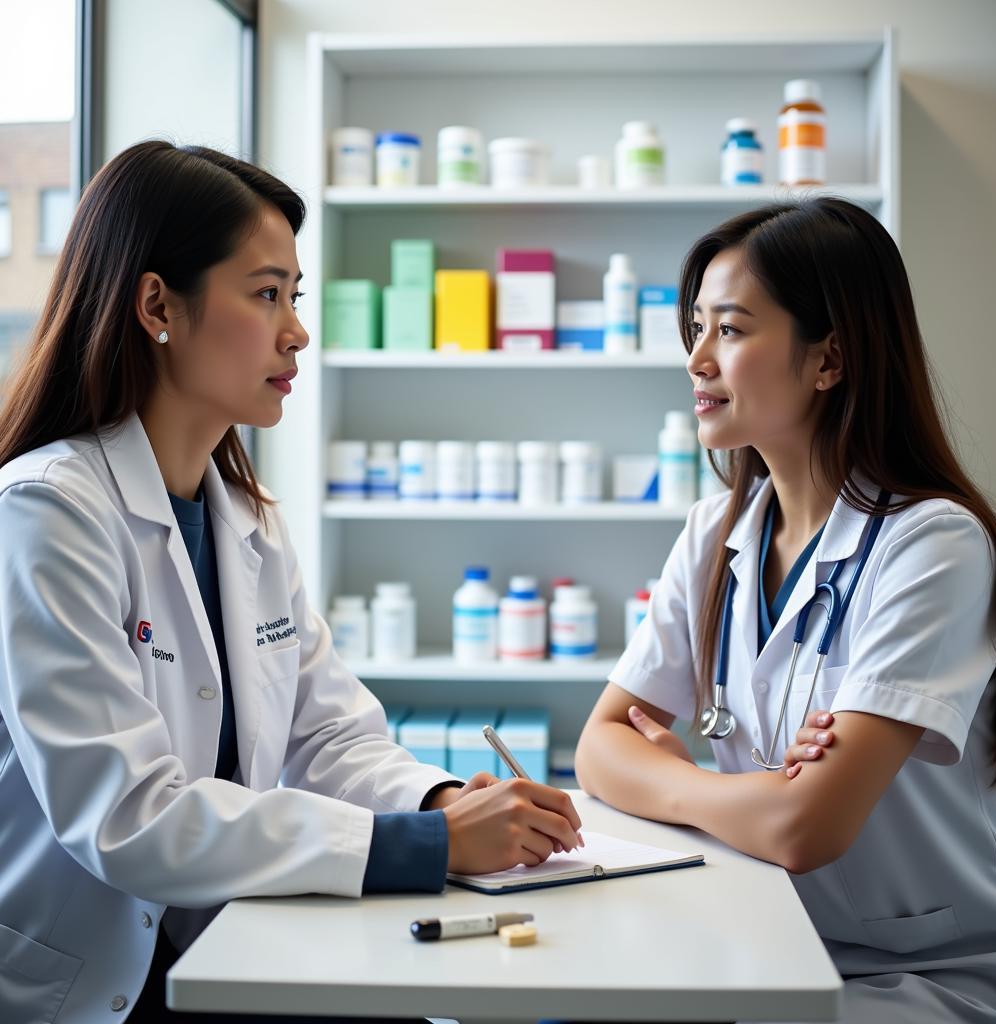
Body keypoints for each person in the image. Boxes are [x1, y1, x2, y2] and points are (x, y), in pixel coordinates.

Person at [0, 141, 582, 1024]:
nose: (297, 330)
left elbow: (327, 736)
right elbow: (124, 816)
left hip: (229, 945)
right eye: (266, 293)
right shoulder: (48, 513)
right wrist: (424, 845)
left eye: (295, 297)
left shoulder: (248, 516)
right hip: (85, 987)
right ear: (157, 303)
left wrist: (443, 800)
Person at [575, 198, 996, 1024]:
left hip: (937, 970)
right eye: (697, 326)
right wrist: (757, 792)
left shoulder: (933, 545)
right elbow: (599, 749)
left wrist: (683, 780)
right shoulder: (718, 534)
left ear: (830, 359)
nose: (696, 359)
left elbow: (803, 831)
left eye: (732, 330)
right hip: (772, 939)